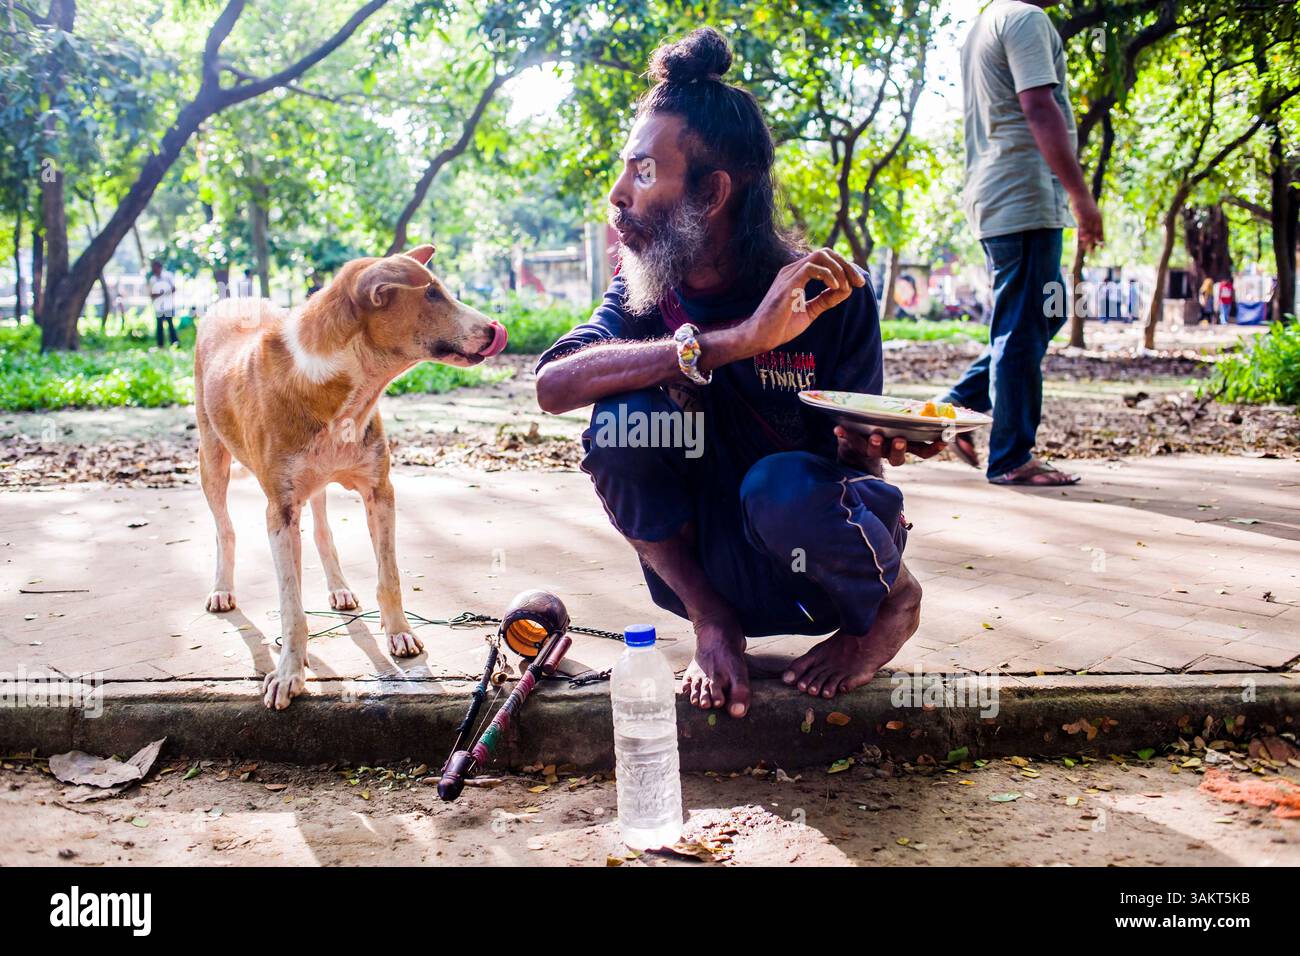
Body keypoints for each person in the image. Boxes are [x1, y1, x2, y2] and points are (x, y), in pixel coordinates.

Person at [534, 29, 944, 718]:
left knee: (780, 484)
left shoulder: (826, 294)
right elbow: (554, 385)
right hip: (705, 573)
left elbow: (857, 470)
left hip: (811, 564)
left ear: (712, 192)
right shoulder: (644, 295)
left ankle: (895, 607)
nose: (616, 193)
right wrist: (727, 343)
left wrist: (881, 439)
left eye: (641, 171)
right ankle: (715, 622)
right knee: (622, 427)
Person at [941, 0, 1102, 486]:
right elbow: (1038, 106)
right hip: (1023, 192)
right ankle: (1012, 457)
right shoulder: (1026, 18)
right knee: (1023, 325)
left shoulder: (984, 24)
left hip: (1000, 193)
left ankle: (956, 407)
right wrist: (1081, 196)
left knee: (1043, 314)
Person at [148, 258, 179, 348]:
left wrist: (164, 293)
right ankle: (160, 345)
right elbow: (152, 294)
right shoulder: (153, 279)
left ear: (160, 267)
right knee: (159, 326)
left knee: (170, 325)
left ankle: (174, 342)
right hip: (158, 306)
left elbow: (174, 288)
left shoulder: (168, 276)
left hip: (168, 305)